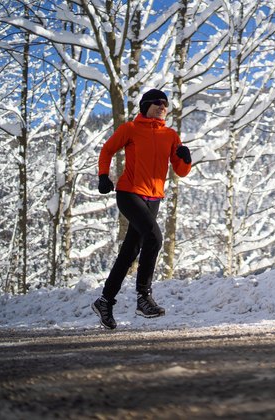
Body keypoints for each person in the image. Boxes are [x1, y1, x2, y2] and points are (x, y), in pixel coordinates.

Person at [91, 89, 192, 329]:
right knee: (154, 238)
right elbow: (107, 150)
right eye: (157, 102)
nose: (162, 106)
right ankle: (143, 297)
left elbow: (181, 171)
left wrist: (186, 158)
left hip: (153, 198)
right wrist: (104, 176)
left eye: (165, 103)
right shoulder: (130, 129)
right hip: (129, 193)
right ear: (145, 105)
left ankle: (105, 301)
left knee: (129, 251)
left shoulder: (170, 135)